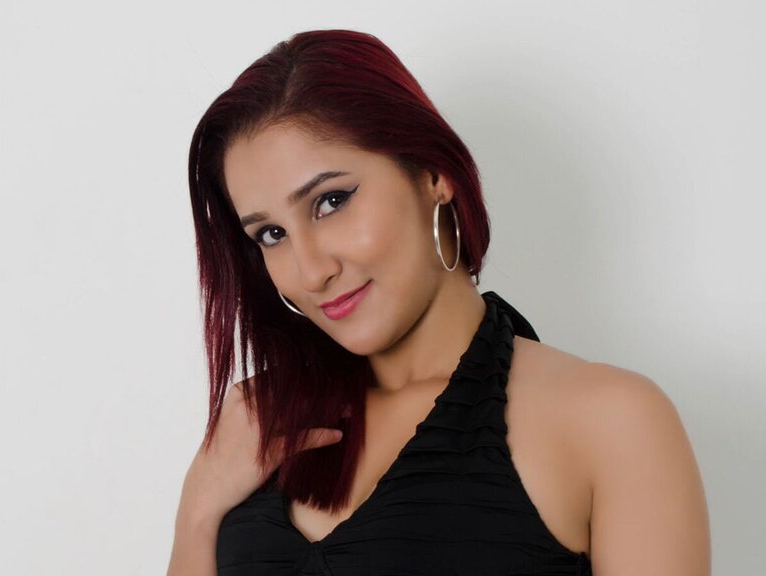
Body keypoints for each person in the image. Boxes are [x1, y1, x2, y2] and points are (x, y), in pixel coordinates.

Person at [167, 29, 710, 576]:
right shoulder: (257, 425)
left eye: (331, 201)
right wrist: (198, 509)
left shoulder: (607, 421)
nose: (311, 271)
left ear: (433, 175)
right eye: (271, 235)